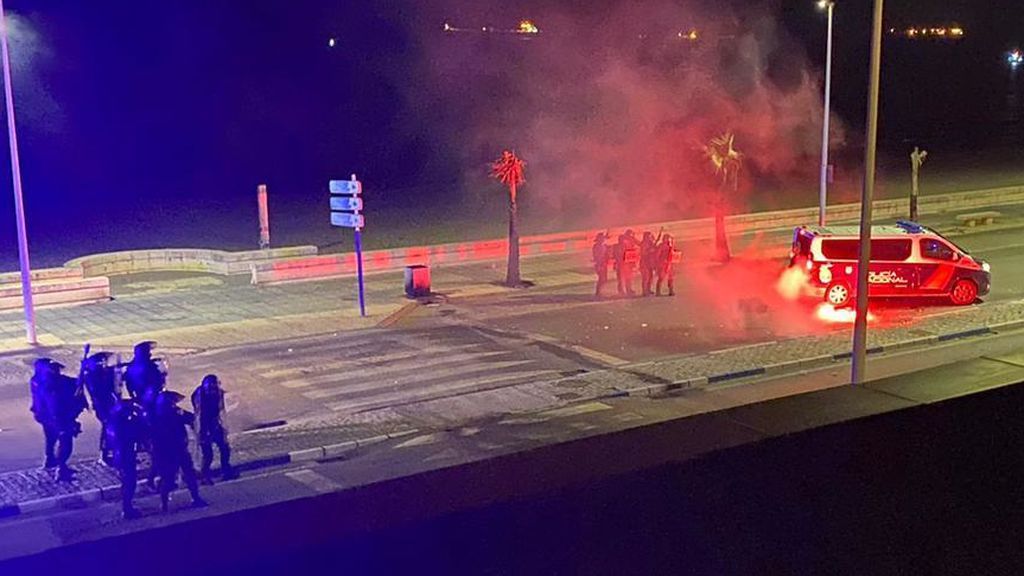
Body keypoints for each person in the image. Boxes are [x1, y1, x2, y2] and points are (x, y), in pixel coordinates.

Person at [151, 390, 207, 512]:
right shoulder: (174, 413)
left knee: (170, 477)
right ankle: (195, 498)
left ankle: (165, 504)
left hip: (166, 451)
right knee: (185, 474)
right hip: (175, 449)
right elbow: (191, 418)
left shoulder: (154, 416)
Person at [34, 360, 87, 481]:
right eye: (55, 369)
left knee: (51, 440)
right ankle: (61, 469)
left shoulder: (38, 381)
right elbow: (59, 401)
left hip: (46, 418)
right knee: (65, 443)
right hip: (60, 418)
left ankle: (50, 462)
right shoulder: (52, 384)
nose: (58, 371)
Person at [191, 374, 238, 483]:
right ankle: (205, 475)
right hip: (204, 426)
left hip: (215, 424)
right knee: (208, 454)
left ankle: (226, 470)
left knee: (225, 448)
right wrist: (200, 432)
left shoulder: (218, 392)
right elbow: (199, 414)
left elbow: (221, 410)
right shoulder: (199, 395)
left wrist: (224, 426)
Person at [106, 399, 146, 519]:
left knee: (128, 482)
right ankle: (127, 509)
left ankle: (127, 506)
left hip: (122, 455)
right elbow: (135, 432)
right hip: (125, 455)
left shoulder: (114, 422)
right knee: (129, 482)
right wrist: (138, 416)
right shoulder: (122, 425)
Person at [82, 352, 121, 465]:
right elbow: (100, 391)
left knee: (113, 428)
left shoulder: (100, 373)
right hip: (103, 406)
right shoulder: (93, 377)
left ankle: (111, 451)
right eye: (102, 362)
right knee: (108, 429)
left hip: (111, 404)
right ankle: (104, 453)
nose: (105, 364)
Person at [615, 229, 639, 297]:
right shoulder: (617, 246)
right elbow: (616, 256)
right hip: (620, 264)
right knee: (621, 278)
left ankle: (628, 289)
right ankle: (621, 290)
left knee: (629, 277)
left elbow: (631, 254)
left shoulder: (628, 244)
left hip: (628, 264)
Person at [591, 232, 610, 298]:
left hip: (604, 264)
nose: (603, 239)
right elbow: (597, 256)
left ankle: (599, 291)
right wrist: (599, 264)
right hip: (599, 263)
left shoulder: (604, 246)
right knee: (601, 278)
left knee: (604, 279)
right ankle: (598, 292)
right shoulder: (596, 246)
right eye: (602, 238)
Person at [639, 231, 658, 297]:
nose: (650, 238)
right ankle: (644, 291)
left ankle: (648, 289)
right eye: (648, 236)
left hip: (650, 262)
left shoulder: (651, 243)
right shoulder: (643, 244)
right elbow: (643, 253)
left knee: (650, 277)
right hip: (644, 262)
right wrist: (650, 250)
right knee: (645, 277)